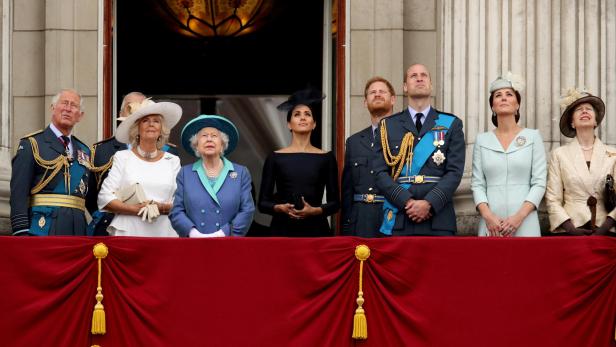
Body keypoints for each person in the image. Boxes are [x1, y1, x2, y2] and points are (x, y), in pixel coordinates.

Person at [373, 63, 465, 236]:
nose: (419, 78)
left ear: (431, 85)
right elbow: (379, 172)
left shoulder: (451, 123)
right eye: (413, 76)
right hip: (400, 216)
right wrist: (406, 201)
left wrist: (429, 203)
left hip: (438, 218)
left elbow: (454, 172)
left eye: (424, 75)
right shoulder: (387, 126)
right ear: (405, 87)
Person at [86, 92, 179, 236]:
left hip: (164, 233)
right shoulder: (122, 157)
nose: (151, 124)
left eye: (156, 120)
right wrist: (137, 209)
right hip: (128, 232)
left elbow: (180, 202)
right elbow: (104, 198)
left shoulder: (173, 160)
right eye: (145, 120)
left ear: (162, 129)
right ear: (137, 129)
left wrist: (158, 208)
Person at [471, 73, 547, 237]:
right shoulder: (482, 140)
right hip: (491, 223)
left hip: (525, 220)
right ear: (492, 106)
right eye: (498, 95)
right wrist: (488, 216)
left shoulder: (533, 137)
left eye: (509, 94)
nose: (503, 98)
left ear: (517, 104)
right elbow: (477, 184)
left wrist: (519, 217)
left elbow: (539, 182)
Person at [258, 88, 340, 237]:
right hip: (282, 230)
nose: (302, 118)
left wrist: (315, 210)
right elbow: (263, 203)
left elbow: (335, 203)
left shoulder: (326, 157)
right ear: (289, 124)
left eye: (307, 114)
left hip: (316, 231)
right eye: (297, 114)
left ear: (314, 124)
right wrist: (280, 208)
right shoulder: (275, 157)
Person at [10, 89, 91, 236]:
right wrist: (21, 231)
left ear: (80, 115)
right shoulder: (32, 144)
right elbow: (18, 192)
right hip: (43, 227)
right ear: (53, 108)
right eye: (64, 103)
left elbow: (89, 196)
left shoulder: (84, 150)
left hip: (77, 229)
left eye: (73, 105)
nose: (68, 108)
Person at [545, 88, 616, 236]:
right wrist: (570, 228)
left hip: (607, 229)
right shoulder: (559, 154)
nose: (584, 111)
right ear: (572, 122)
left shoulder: (613, 154)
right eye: (579, 109)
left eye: (588, 109)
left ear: (596, 120)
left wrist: (605, 227)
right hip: (571, 228)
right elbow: (553, 198)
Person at [170, 115, 255, 237]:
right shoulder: (185, 173)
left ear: (222, 144)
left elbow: (247, 210)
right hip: (194, 245)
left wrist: (224, 233)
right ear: (196, 145)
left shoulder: (241, 173)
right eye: (204, 136)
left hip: (228, 244)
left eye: (214, 136)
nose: (209, 139)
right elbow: (176, 211)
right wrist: (193, 233)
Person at [341, 76, 396, 237]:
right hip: (361, 220)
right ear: (365, 102)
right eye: (372, 92)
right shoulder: (354, 142)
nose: (377, 94)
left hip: (394, 217)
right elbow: (347, 190)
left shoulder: (407, 137)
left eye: (382, 91)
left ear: (393, 99)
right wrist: (346, 227)